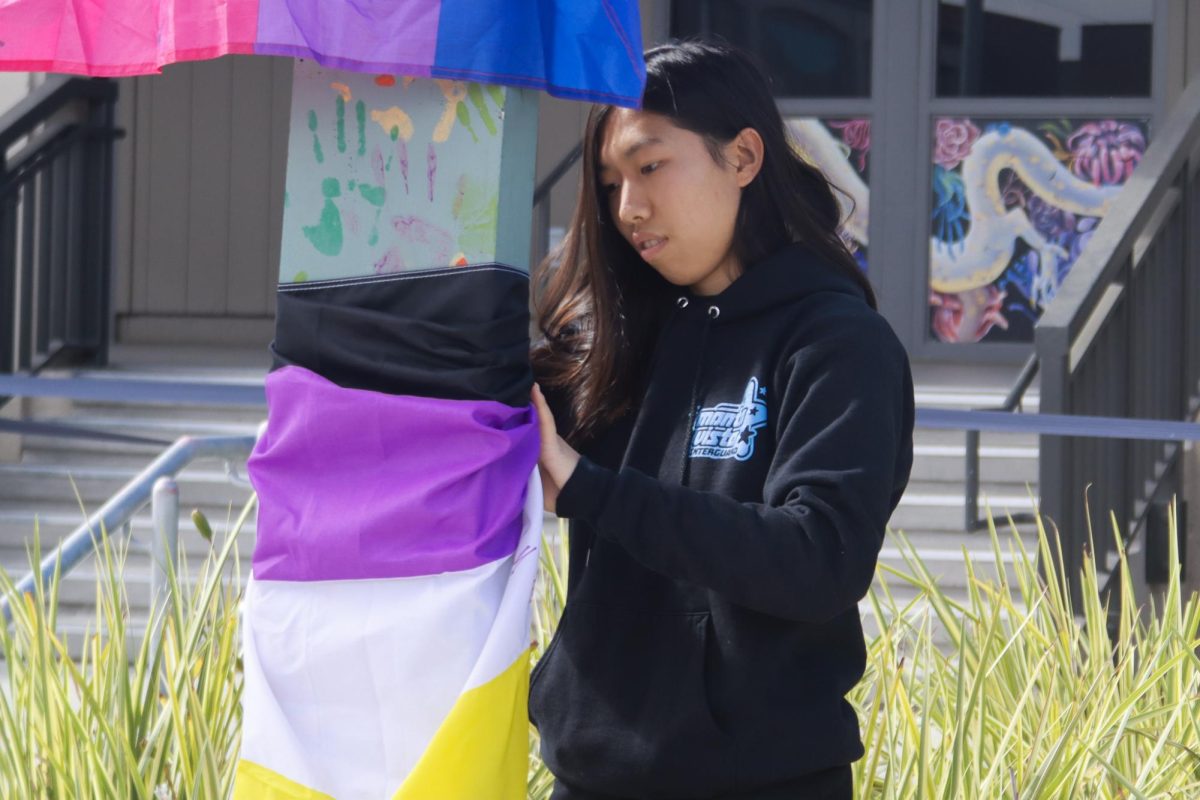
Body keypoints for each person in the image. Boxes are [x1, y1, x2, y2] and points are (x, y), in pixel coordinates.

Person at [527, 38, 914, 800]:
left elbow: (819, 560)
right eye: (610, 183)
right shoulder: (614, 344)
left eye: (650, 166)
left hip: (763, 781)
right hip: (590, 777)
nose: (628, 207)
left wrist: (590, 489)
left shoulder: (837, 343)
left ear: (743, 157)